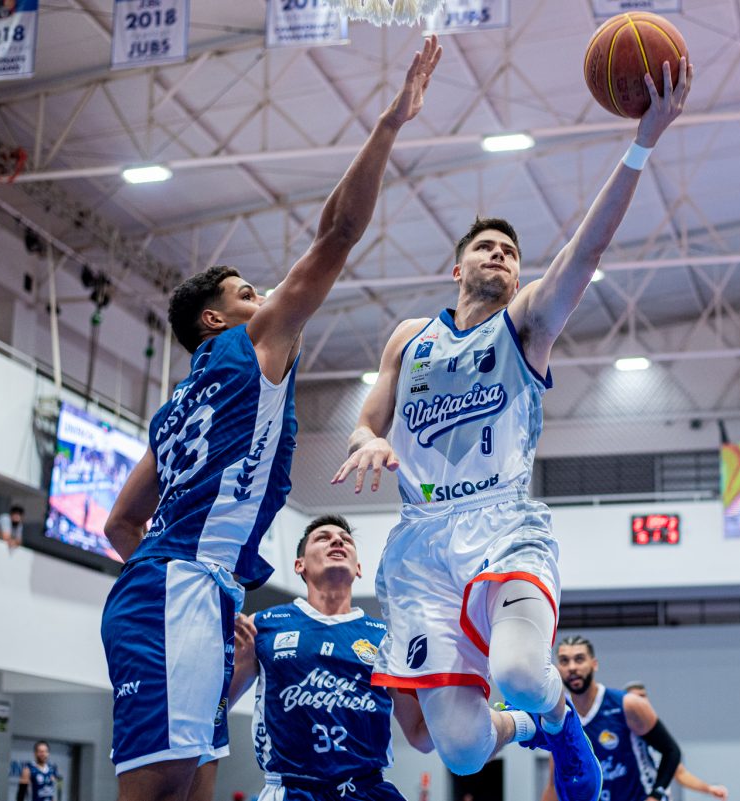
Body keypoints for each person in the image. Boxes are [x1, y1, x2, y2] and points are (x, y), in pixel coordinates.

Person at [331, 55, 692, 801]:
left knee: (524, 673)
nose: (498, 254)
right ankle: (530, 725)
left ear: (518, 276)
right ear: (457, 266)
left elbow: (584, 252)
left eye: (510, 252)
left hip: (501, 523)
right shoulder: (409, 338)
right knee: (461, 751)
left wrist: (643, 144)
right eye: (485, 247)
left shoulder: (525, 324)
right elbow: (369, 418)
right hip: (420, 542)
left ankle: (557, 721)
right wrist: (368, 439)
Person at [98, 36, 443, 801]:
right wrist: (388, 124)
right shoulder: (248, 347)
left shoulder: (173, 410)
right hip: (181, 586)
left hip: (188, 586)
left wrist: (177, 576)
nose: (269, 301)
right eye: (249, 293)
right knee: (162, 785)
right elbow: (337, 235)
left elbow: (121, 523)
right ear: (217, 318)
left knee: (192, 778)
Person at [228, 514, 433, 801]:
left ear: (358, 568)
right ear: (299, 565)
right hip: (291, 791)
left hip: (368, 790)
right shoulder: (263, 625)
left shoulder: (385, 638)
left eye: (346, 540)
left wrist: (464, 702)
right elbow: (218, 711)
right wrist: (237, 662)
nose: (337, 540)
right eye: (323, 538)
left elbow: (420, 736)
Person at [540, 636, 682, 801]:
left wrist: (656, 795)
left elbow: (671, 751)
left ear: (594, 664)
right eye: (565, 661)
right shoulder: (561, 715)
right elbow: (553, 784)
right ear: (557, 668)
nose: (572, 667)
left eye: (579, 659)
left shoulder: (628, 705)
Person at [622, 682, 727, 800]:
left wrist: (708, 789)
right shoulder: (623, 737)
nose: (641, 701)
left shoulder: (657, 737)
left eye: (643, 696)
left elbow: (680, 773)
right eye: (636, 697)